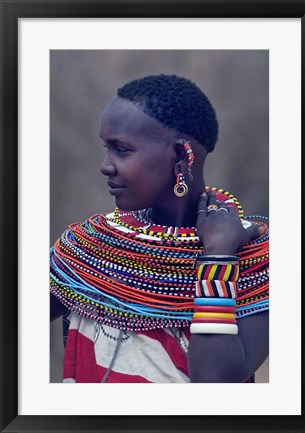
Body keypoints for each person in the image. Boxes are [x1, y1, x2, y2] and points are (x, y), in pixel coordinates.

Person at [50, 74, 269, 383]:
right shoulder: (87, 249)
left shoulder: (257, 259)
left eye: (121, 150)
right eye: (105, 148)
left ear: (181, 155)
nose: (105, 165)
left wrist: (218, 257)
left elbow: (217, 385)